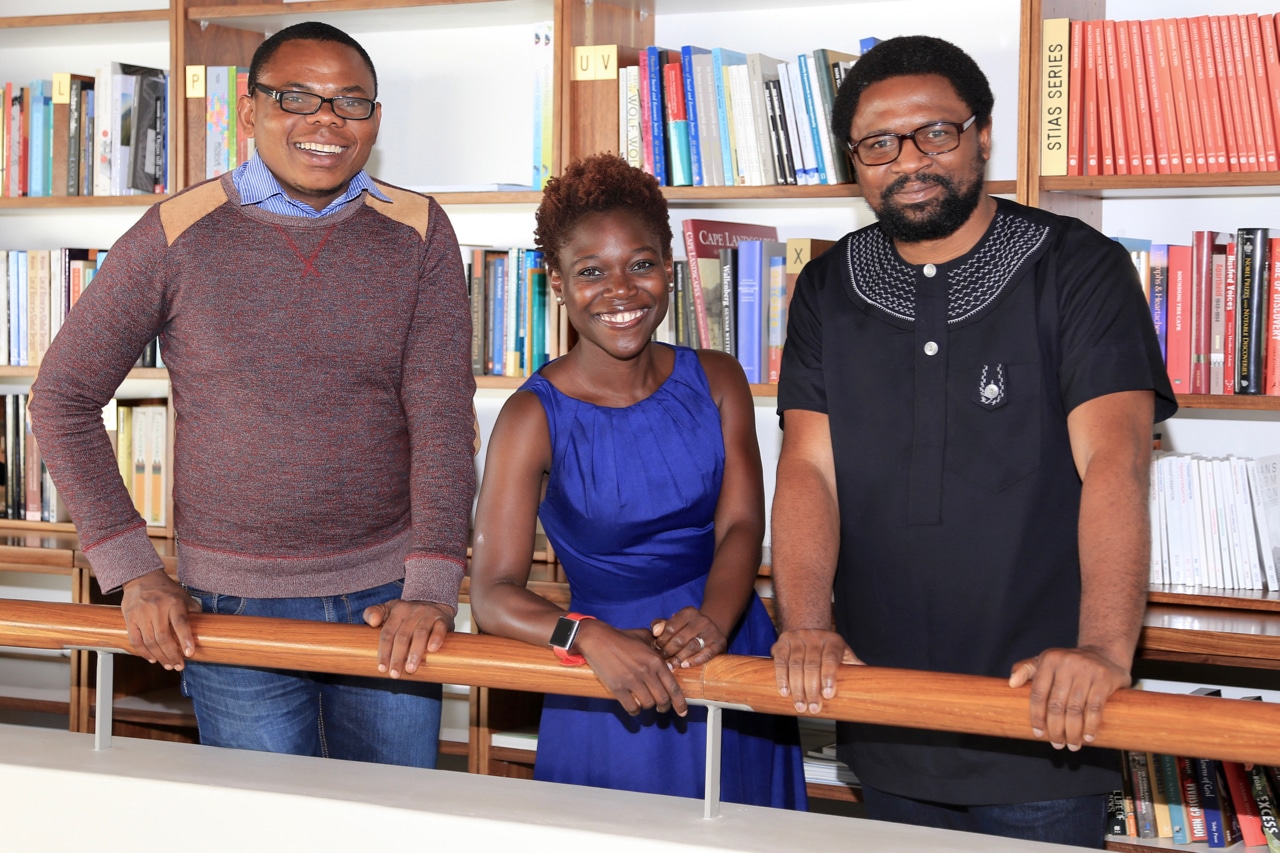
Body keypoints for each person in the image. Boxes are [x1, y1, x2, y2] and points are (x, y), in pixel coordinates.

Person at [29, 21, 476, 769]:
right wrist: (133, 569)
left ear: (374, 120)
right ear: (249, 111)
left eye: (350, 102)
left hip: (389, 596)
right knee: (265, 818)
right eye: (296, 97)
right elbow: (61, 398)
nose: (326, 120)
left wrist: (432, 588)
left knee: (396, 815)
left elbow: (442, 420)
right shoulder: (177, 232)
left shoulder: (419, 230)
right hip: (227, 605)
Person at [768, 35, 1177, 846]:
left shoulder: (1079, 268)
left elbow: (1118, 462)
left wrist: (1102, 649)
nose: (909, 161)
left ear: (983, 135)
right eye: (879, 144)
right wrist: (806, 623)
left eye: (935, 133)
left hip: (1046, 713)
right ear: (855, 162)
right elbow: (809, 468)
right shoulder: (824, 287)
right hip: (880, 708)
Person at [469, 153, 806, 808]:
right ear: (557, 282)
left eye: (641, 264)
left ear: (669, 269)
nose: (620, 291)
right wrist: (584, 635)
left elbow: (742, 524)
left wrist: (716, 620)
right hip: (609, 670)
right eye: (591, 271)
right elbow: (492, 596)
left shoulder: (719, 377)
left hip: (730, 641)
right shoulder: (531, 417)